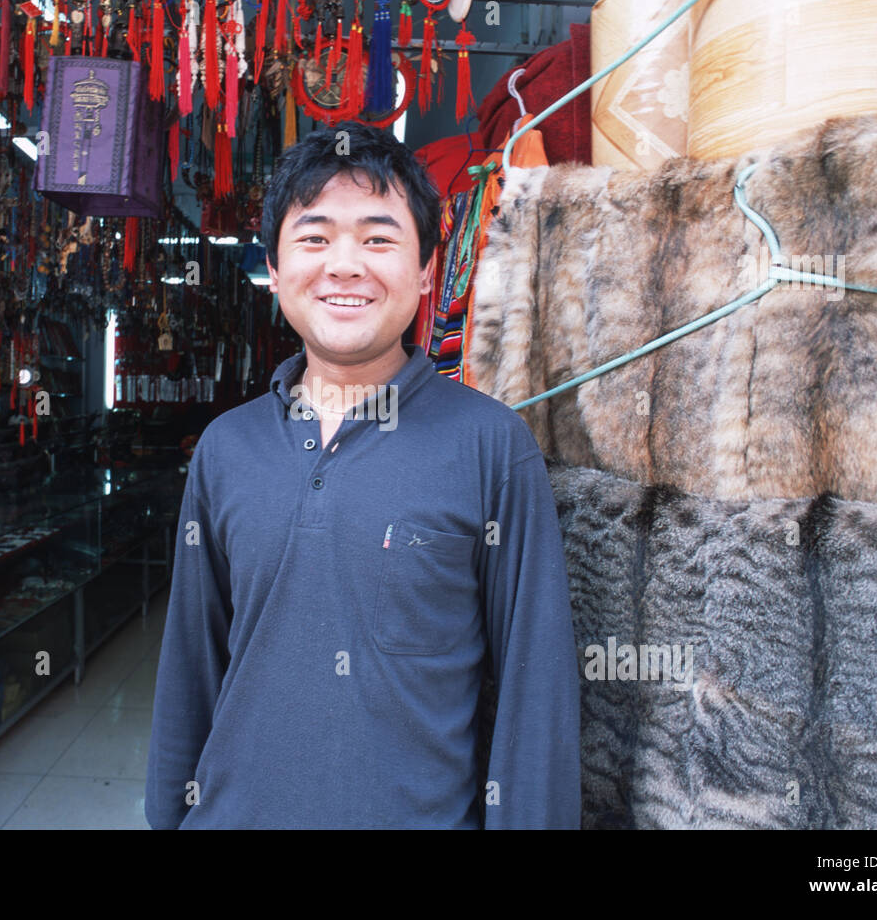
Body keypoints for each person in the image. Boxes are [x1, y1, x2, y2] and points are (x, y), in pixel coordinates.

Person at [145, 121, 580, 829]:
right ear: (277, 270)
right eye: (314, 238)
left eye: (379, 239)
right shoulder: (227, 449)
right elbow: (189, 667)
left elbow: (537, 690)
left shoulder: (491, 447)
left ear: (427, 272)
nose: (345, 265)